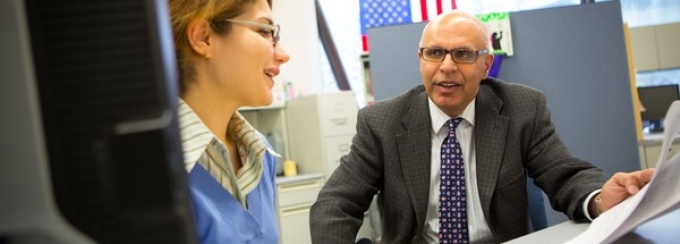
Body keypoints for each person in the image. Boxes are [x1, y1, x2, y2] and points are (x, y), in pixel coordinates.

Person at [309, 10, 654, 243]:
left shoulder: (522, 108)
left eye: (462, 55)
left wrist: (598, 198)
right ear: (421, 60)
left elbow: (563, 173)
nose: (446, 67)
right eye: (435, 53)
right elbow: (335, 204)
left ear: (486, 64)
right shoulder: (381, 122)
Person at [167, 0, 290, 242]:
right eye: (265, 31)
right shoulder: (155, 168)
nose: (283, 54)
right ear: (203, 38)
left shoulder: (261, 156)